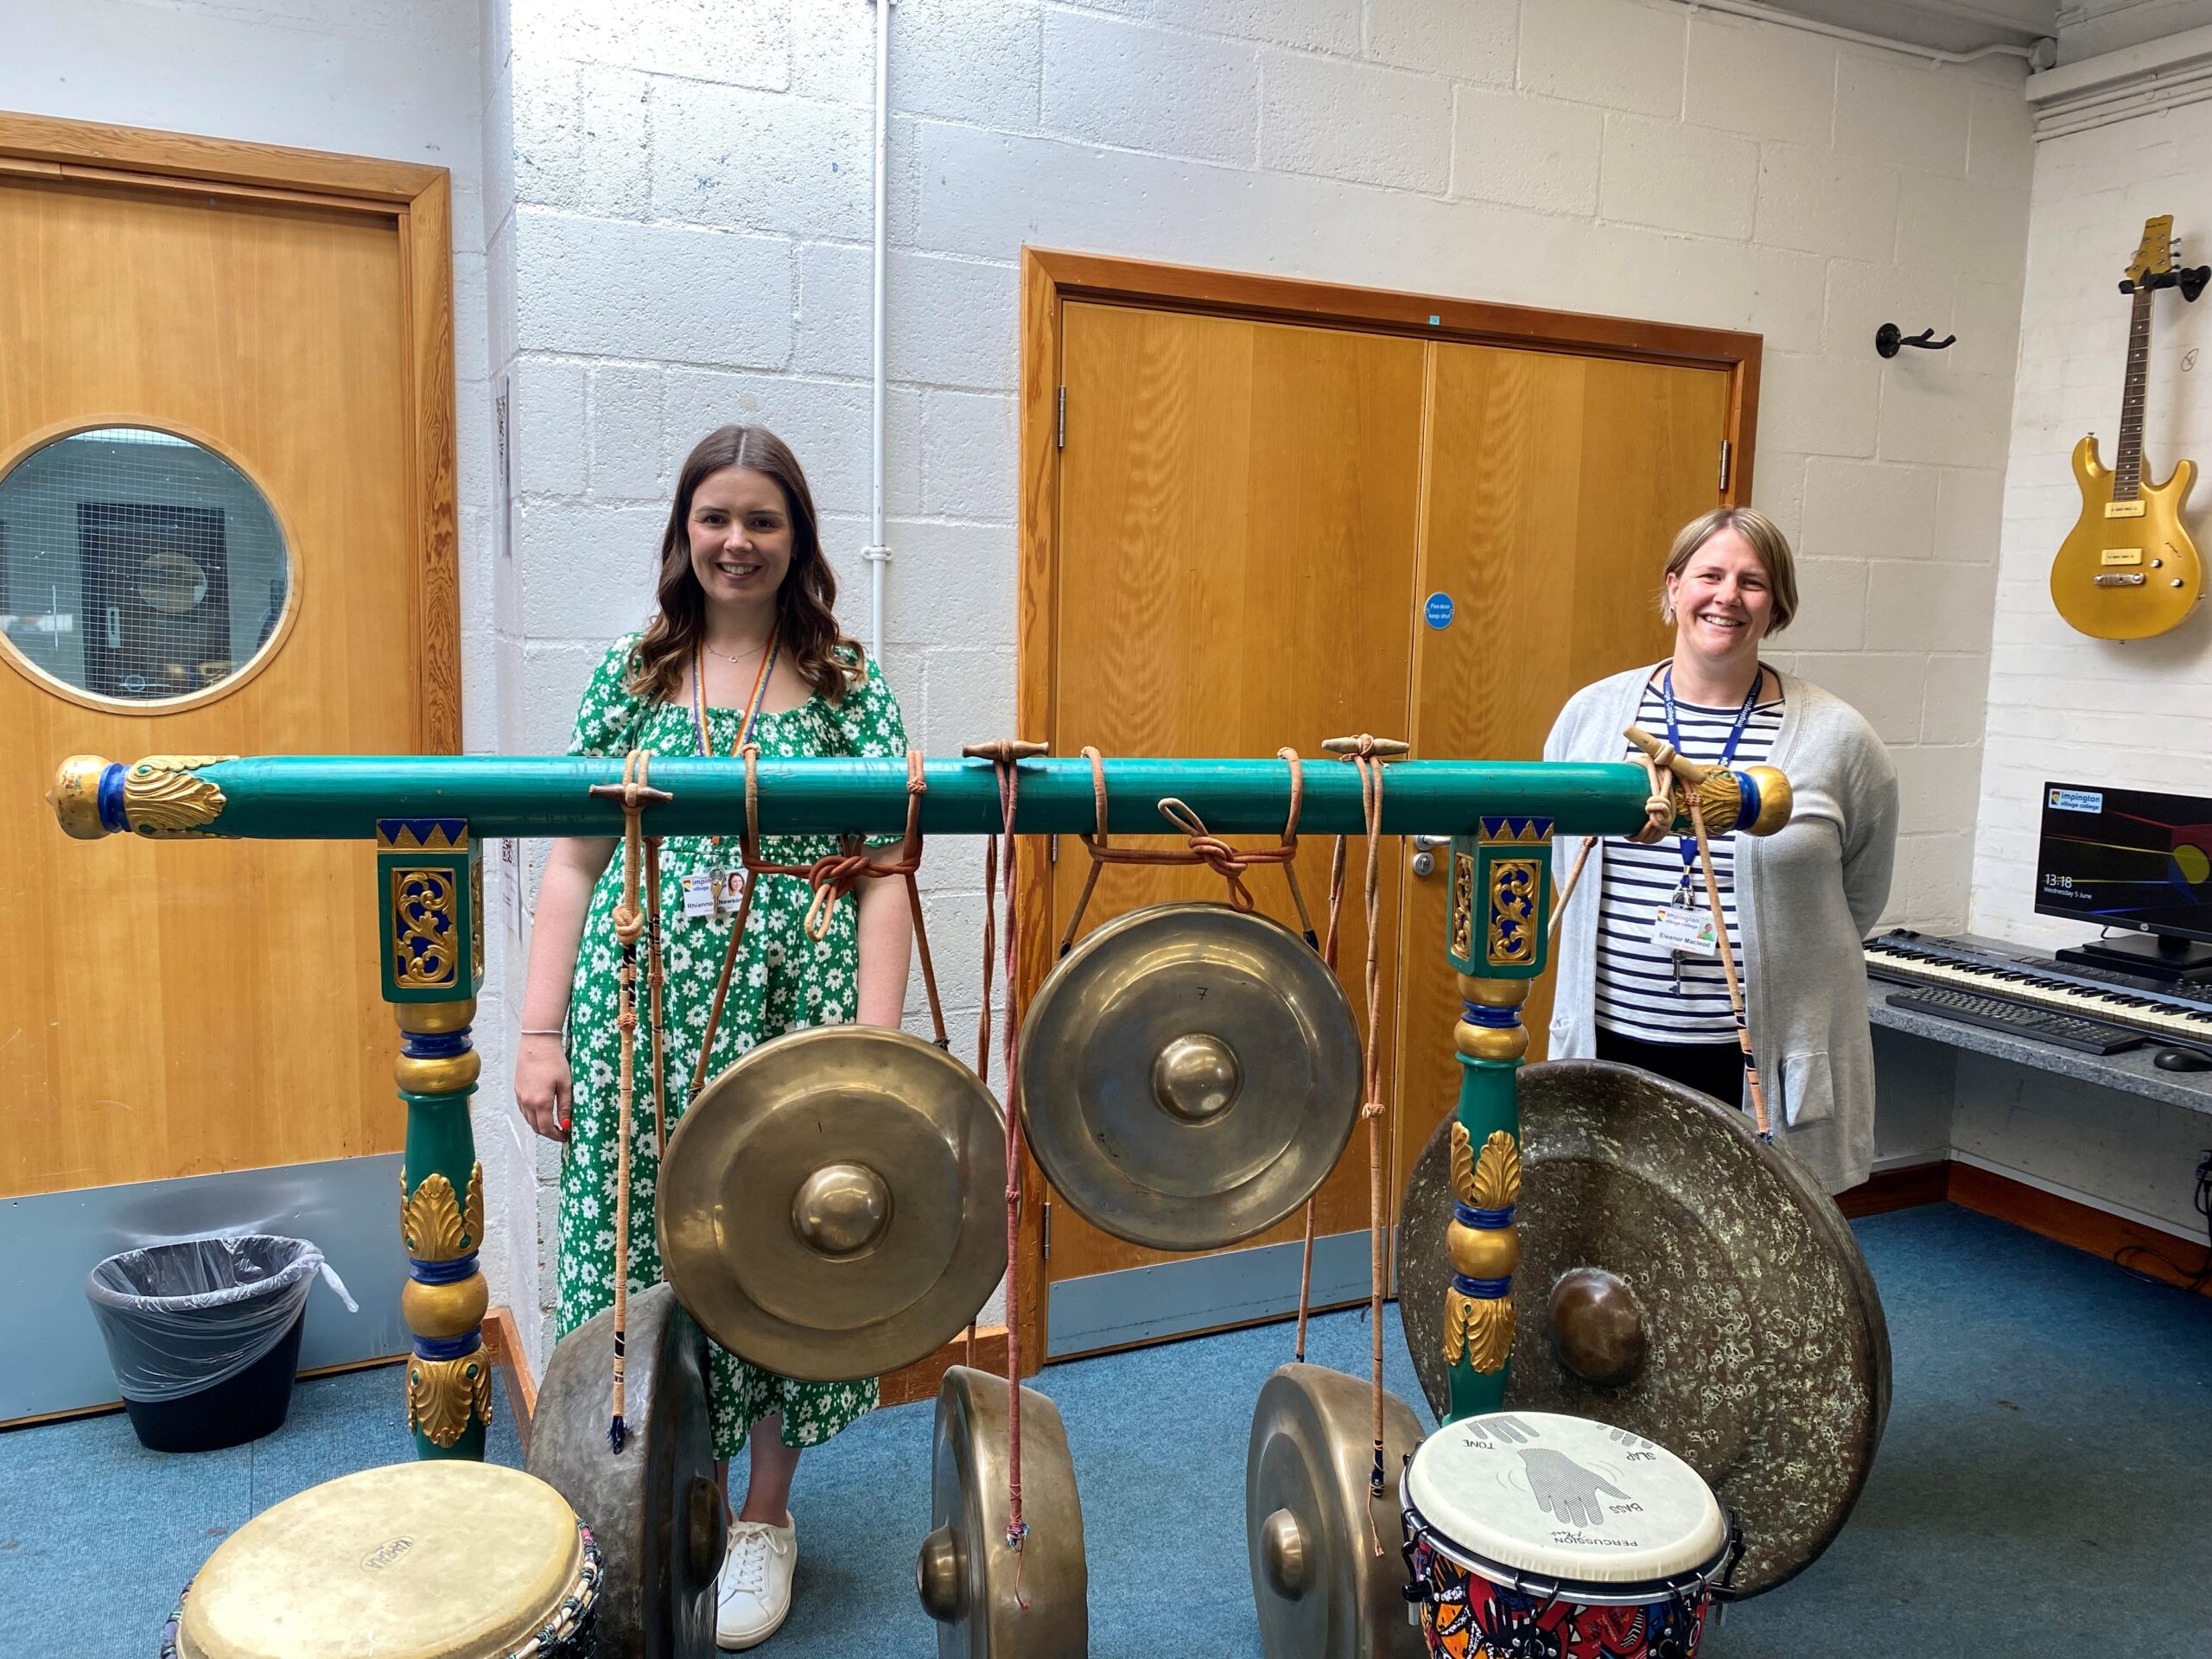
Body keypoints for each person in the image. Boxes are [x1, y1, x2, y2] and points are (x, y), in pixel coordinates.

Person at [514, 425, 913, 1650]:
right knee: (637, 1254)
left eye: (764, 521)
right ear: (683, 533)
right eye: (715, 519)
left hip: (794, 1020)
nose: (737, 542)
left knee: (787, 1258)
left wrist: (878, 1062)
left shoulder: (848, 685)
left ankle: (765, 1517)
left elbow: (889, 875)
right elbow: (572, 864)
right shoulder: (624, 680)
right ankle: (630, 1496)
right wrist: (539, 1032)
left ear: (799, 541)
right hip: (637, 1022)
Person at [1542, 506, 1898, 1195]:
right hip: (1615, 1040)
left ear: (1777, 605)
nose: (1727, 596)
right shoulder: (1592, 716)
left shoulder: (1839, 739)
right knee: (1613, 1237)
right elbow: (1563, 863)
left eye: (1752, 581)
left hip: (1752, 1057)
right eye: (1709, 575)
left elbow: (1859, 895)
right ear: (1674, 587)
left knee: (1758, 1259)